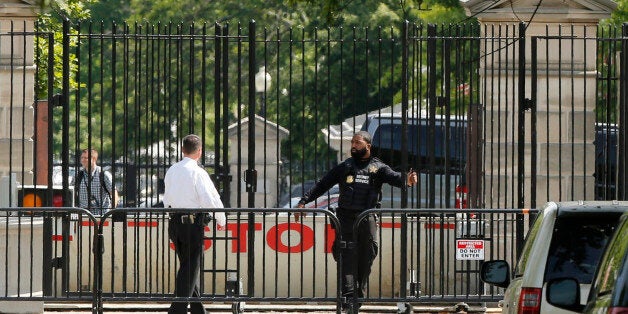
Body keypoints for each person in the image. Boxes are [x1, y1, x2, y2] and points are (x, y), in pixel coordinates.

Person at [294, 131, 417, 310]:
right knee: (346, 256)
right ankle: (349, 297)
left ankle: (357, 293)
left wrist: (407, 180)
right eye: (352, 142)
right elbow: (323, 184)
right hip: (346, 218)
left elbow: (395, 178)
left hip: (367, 218)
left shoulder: (378, 167)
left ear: (368, 146)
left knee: (368, 255)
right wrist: (304, 201)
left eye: (357, 143)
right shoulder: (345, 166)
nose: (353, 145)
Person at [162, 134, 227, 314]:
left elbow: (167, 198)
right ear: (199, 152)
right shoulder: (198, 172)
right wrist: (221, 219)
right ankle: (177, 310)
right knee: (189, 269)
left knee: (188, 267)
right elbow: (210, 198)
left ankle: (199, 310)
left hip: (174, 223)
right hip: (191, 224)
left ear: (183, 150)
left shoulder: (172, 170)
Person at [75, 148, 119, 215]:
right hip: (84, 216)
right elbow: (72, 193)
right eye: (82, 158)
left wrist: (111, 211)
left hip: (102, 216)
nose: (82, 160)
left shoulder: (103, 174)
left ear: (94, 159)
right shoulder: (79, 175)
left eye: (86, 158)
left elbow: (114, 193)